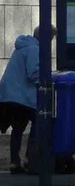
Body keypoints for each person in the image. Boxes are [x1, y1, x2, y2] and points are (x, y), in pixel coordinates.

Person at [0, 26, 51, 173]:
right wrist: (48, 77)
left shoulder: (22, 47)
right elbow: (33, 73)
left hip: (11, 95)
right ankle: (30, 158)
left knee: (18, 129)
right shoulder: (34, 49)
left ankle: (14, 162)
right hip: (23, 97)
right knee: (38, 122)